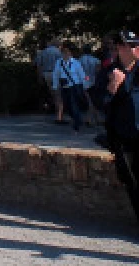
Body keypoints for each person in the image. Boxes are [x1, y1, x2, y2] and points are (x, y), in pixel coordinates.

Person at [104, 31, 139, 223]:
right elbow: (102, 103)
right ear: (120, 49)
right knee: (132, 182)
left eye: (136, 45)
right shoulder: (110, 72)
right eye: (130, 46)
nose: (134, 49)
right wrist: (113, 87)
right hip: (125, 138)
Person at [55, 42, 88, 133]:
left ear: (70, 53)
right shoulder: (59, 62)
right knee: (67, 105)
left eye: (67, 52)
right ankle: (78, 119)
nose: (65, 54)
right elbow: (56, 74)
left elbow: (82, 75)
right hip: (64, 86)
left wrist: (85, 85)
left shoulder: (76, 63)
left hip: (74, 85)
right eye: (63, 52)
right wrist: (55, 85)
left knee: (74, 105)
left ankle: (76, 124)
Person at [36, 38, 64, 123]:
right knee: (59, 96)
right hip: (56, 75)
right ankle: (59, 117)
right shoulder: (58, 52)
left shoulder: (43, 52)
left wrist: (40, 77)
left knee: (53, 95)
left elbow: (38, 65)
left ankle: (55, 113)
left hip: (46, 74)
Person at [79, 44, 102, 127]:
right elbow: (98, 72)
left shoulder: (80, 60)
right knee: (93, 101)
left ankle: (90, 119)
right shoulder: (96, 60)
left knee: (89, 101)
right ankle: (96, 118)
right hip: (93, 81)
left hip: (83, 82)